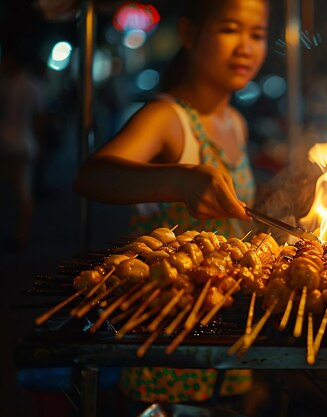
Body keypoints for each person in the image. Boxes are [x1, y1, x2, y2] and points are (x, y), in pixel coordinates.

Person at [73, 0, 269, 410]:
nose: (246, 47)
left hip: (227, 331)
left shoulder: (237, 122)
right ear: (190, 34)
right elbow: (92, 176)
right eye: (230, 28)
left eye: (257, 34)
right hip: (166, 339)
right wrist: (178, 178)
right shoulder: (166, 116)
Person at [0, 44, 45, 251]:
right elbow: (39, 116)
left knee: (21, 192)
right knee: (23, 192)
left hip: (9, 143)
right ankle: (22, 235)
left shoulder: (6, 84)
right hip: (24, 143)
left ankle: (21, 235)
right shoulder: (32, 85)